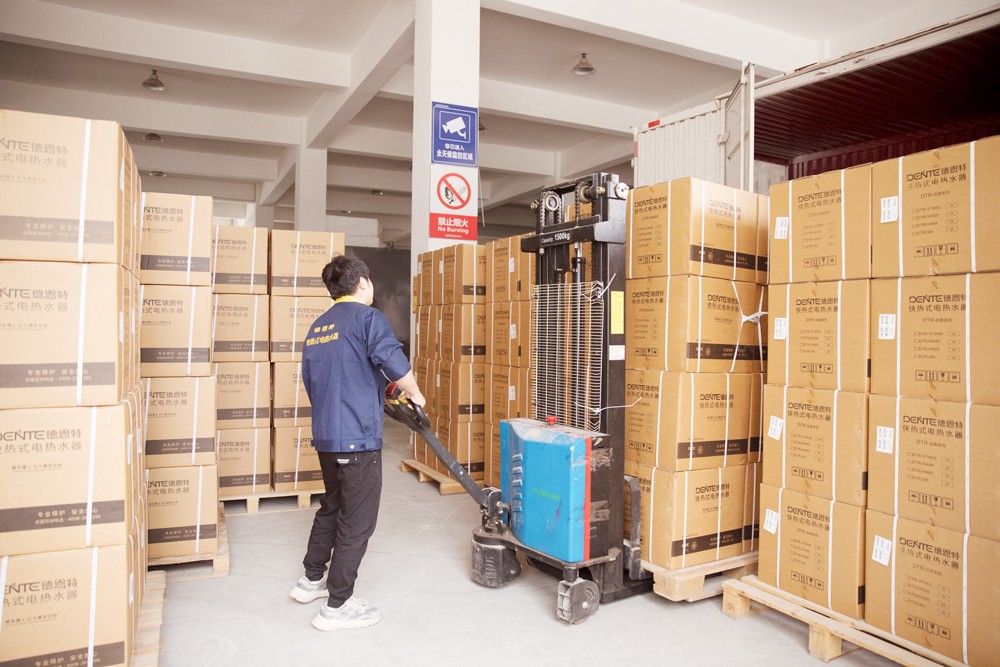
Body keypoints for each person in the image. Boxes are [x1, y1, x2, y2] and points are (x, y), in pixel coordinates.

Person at [289, 254, 426, 631]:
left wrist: (378, 392)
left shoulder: (318, 327)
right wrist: (416, 394)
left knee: (332, 506)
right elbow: (394, 363)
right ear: (363, 282)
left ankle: (311, 580)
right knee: (357, 520)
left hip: (327, 437)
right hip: (357, 440)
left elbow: (319, 380)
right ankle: (338, 605)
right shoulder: (368, 318)